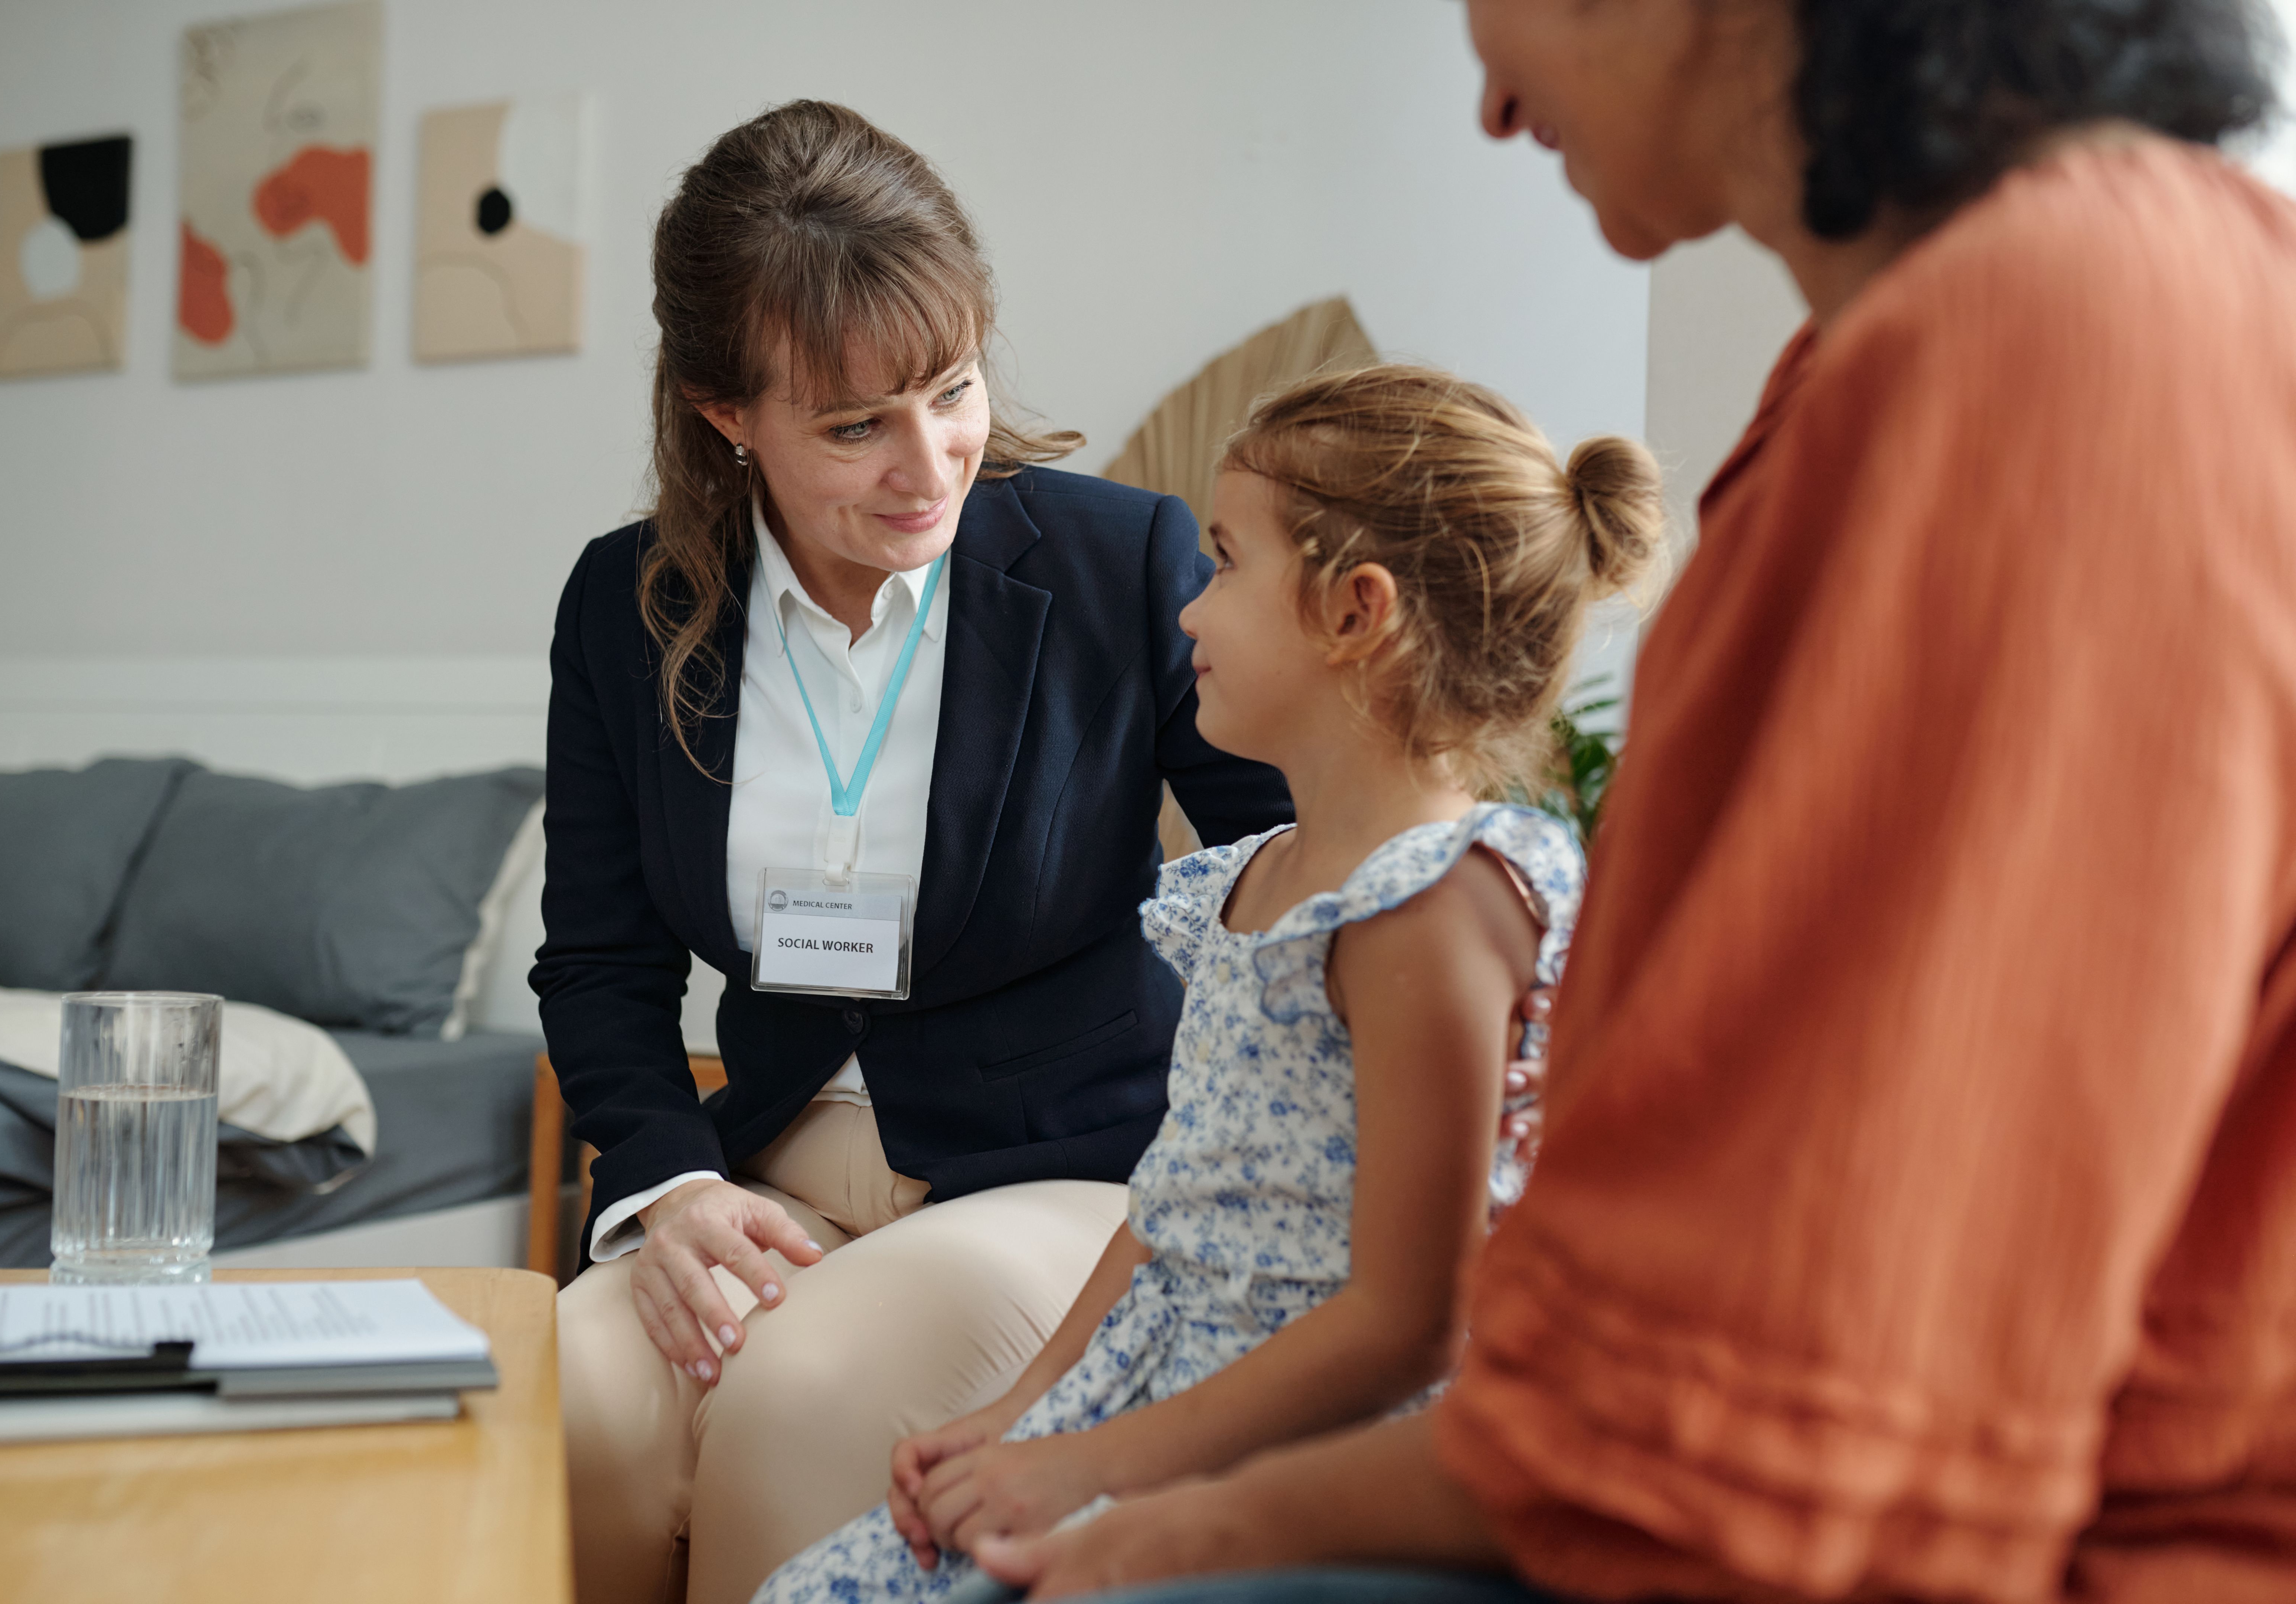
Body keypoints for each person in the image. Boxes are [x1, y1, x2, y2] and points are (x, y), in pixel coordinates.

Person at [972, 1, 2296, 1601]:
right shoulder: (1944, 340)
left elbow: (1785, 1419)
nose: (1491, 99)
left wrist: (1203, 1523)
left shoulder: (2046, 354)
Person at [529, 99, 1302, 1604]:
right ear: (724, 412)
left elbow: (1288, 869)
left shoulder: (1121, 562)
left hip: (1062, 1170)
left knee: (797, 1405)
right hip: (763, 1168)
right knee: (567, 1397)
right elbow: (603, 960)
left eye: (951, 392)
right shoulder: (626, 605)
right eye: (853, 426)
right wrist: (670, 1191)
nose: (929, 463)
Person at [756, 363, 1663, 1604]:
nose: (1188, 612)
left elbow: (1407, 1325)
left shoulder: (1432, 908)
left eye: (1226, 564)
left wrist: (1084, 1466)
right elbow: (1173, 1201)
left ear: (1355, 613)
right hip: (1141, 1404)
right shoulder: (1251, 880)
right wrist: (1023, 1414)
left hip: (1293, 1462)